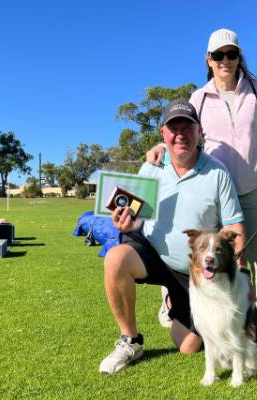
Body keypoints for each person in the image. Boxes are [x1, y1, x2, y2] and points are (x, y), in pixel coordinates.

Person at [148, 28, 257, 334]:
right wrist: (159, 147)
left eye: (231, 54)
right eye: (218, 55)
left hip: (250, 190)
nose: (225, 60)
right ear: (208, 59)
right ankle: (176, 304)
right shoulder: (199, 97)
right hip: (213, 192)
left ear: (238, 57)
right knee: (203, 256)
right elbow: (182, 134)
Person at [99, 99, 247, 374]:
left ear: (199, 131)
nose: (180, 134)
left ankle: (170, 299)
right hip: (152, 253)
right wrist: (126, 225)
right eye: (173, 128)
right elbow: (137, 218)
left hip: (194, 272)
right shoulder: (151, 167)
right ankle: (131, 340)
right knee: (115, 258)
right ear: (163, 133)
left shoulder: (217, 172)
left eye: (187, 127)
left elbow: (234, 225)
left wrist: (239, 268)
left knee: (188, 346)